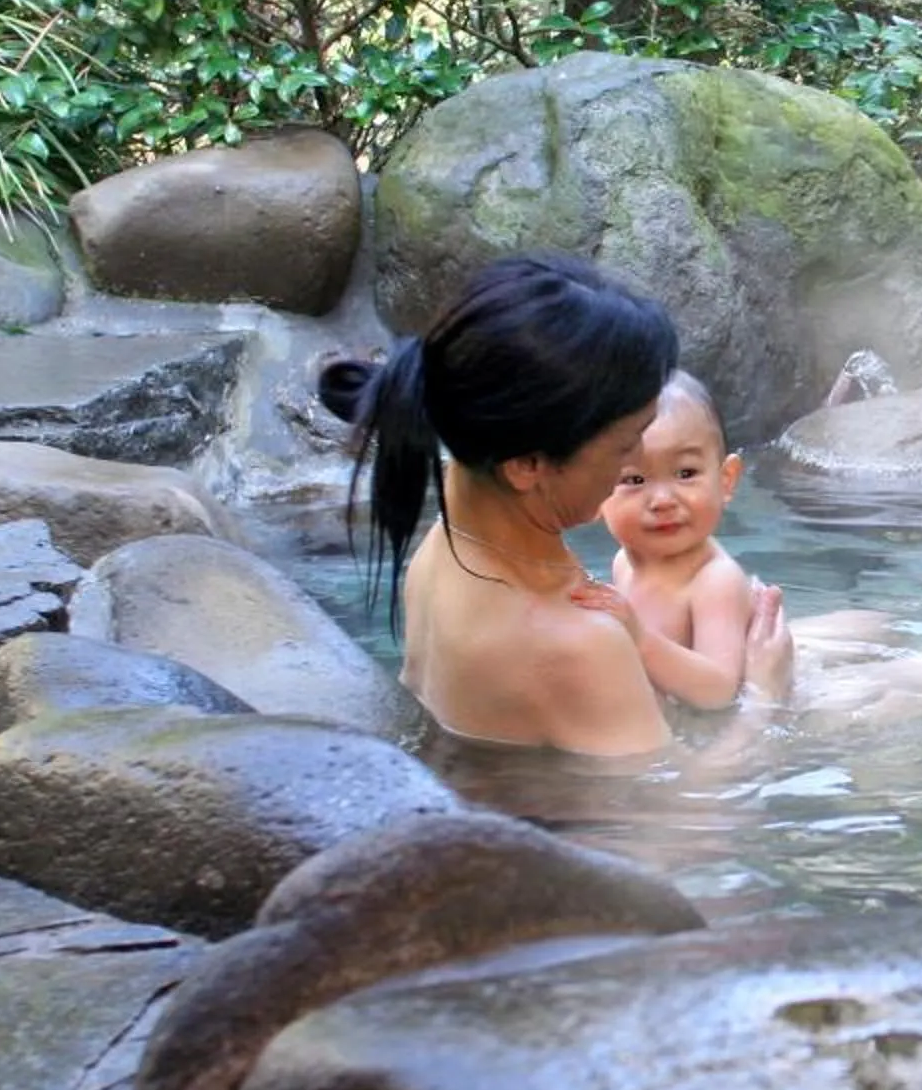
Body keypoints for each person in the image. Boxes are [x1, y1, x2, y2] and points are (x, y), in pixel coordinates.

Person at [320, 253, 791, 756]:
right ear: (526, 465)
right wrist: (765, 700)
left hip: (489, 791)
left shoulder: (440, 550)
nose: (635, 465)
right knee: (882, 692)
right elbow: (680, 825)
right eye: (625, 446)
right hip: (565, 823)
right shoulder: (577, 646)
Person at [592, 371, 759, 711]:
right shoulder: (623, 561)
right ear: (593, 490)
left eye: (686, 473)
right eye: (635, 479)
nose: (664, 499)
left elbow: (719, 690)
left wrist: (637, 638)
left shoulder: (714, 580)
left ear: (726, 480)